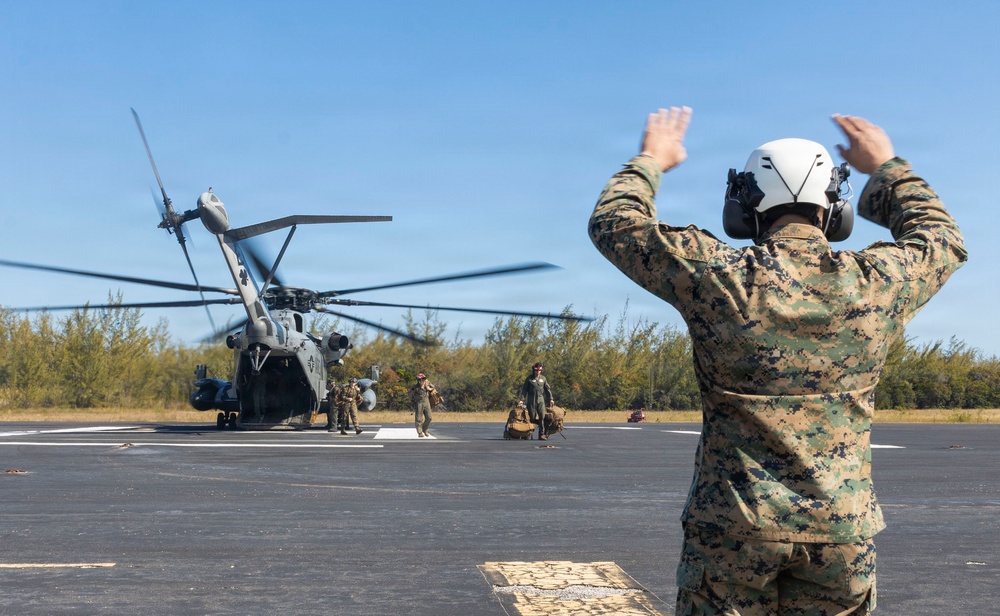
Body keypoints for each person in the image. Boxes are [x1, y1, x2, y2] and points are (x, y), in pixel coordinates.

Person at [589, 107, 966, 615]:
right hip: (840, 530)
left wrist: (651, 159)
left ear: (745, 207)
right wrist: (887, 167)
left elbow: (615, 223)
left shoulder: (716, 275)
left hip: (734, 529)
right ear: (834, 210)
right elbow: (941, 239)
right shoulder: (878, 281)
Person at [519, 362, 554, 440]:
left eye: (539, 371)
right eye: (536, 370)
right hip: (531, 400)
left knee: (542, 416)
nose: (538, 372)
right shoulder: (529, 379)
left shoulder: (543, 378)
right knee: (532, 418)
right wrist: (521, 400)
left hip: (541, 400)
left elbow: (547, 389)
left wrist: (551, 399)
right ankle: (528, 432)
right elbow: (524, 390)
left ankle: (541, 434)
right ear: (533, 370)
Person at [410, 373, 438, 437]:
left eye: (423, 379)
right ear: (418, 380)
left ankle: (424, 429)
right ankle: (420, 432)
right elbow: (410, 395)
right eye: (421, 379)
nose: (422, 381)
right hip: (419, 403)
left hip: (426, 402)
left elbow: (433, 388)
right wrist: (414, 401)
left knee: (429, 417)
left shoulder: (427, 385)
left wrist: (428, 386)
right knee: (419, 419)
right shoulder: (415, 388)